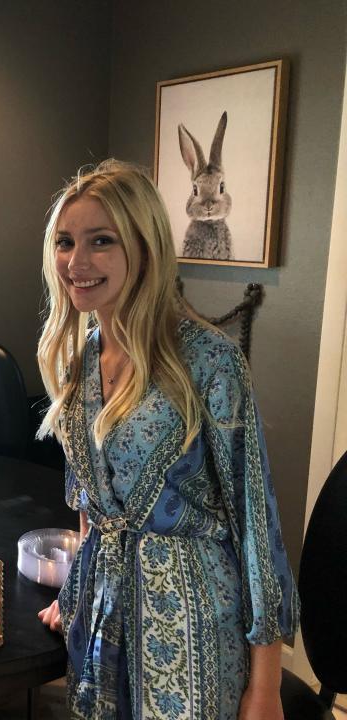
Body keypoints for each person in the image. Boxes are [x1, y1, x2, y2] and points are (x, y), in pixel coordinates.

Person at [35, 160, 299, 720]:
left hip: (189, 631)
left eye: (100, 241)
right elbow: (91, 504)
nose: (76, 262)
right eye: (65, 242)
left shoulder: (210, 362)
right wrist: (76, 590)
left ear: (145, 247)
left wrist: (267, 687)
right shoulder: (82, 360)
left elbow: (257, 526)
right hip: (100, 624)